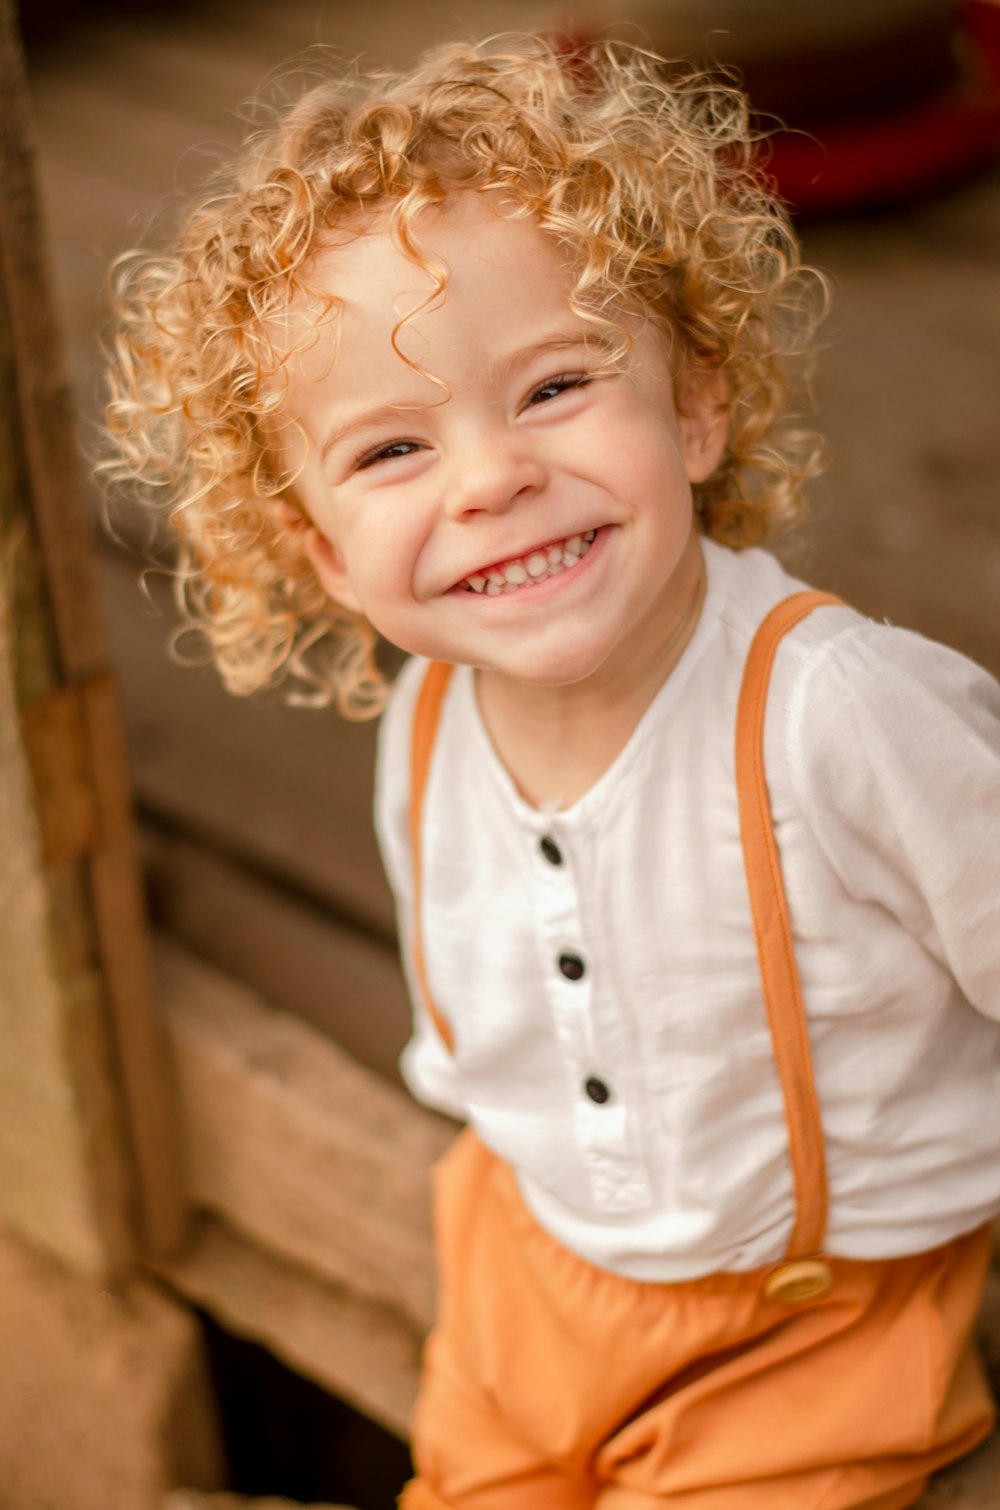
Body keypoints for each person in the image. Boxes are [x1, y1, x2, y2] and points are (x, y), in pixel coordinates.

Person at [102, 37, 1000, 1510]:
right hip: (523, 1268)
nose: (488, 477)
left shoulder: (838, 717)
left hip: (811, 1312)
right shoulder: (431, 724)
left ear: (696, 402)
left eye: (556, 385)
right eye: (390, 449)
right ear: (324, 552)